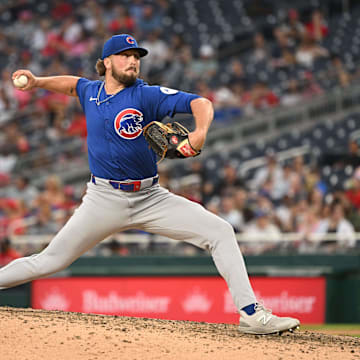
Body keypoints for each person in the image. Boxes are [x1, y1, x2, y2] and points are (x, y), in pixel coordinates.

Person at [2, 34, 299, 334]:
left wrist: (199, 132)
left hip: (150, 197)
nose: (133, 61)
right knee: (48, 261)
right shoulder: (90, 91)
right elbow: (70, 85)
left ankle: (250, 314)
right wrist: (38, 81)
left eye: (137, 56)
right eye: (124, 55)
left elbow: (201, 103)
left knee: (220, 231)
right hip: (103, 198)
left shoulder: (146, 95)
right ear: (106, 62)